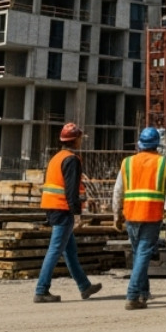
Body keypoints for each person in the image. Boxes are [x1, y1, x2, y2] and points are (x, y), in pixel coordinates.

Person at [33, 122, 103, 304]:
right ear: (76, 139)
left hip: (52, 207)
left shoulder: (57, 157)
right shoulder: (72, 159)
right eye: (80, 138)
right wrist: (76, 212)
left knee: (69, 251)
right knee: (55, 249)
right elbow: (71, 189)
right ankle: (41, 290)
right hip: (63, 209)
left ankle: (84, 286)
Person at [113, 126, 166, 310]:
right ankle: (132, 295)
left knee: (139, 253)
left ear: (140, 144)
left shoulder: (127, 163)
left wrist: (116, 214)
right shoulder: (164, 162)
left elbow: (118, 190)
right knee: (143, 253)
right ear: (157, 145)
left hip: (131, 215)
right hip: (152, 215)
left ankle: (143, 293)